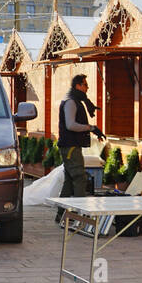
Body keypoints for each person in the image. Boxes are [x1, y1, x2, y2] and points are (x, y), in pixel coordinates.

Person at [57, 74, 104, 217]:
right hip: (70, 146)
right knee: (79, 178)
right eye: (85, 85)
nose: (87, 88)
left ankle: (62, 215)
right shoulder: (71, 102)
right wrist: (90, 128)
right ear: (78, 86)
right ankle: (78, 215)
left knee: (70, 180)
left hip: (70, 145)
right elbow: (71, 125)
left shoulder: (74, 100)